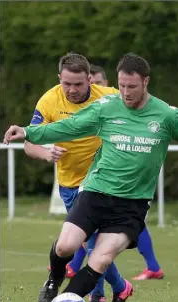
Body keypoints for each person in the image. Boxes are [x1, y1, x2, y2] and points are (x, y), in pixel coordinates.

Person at [4, 54, 178, 302]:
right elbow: (69, 126)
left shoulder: (167, 115)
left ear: (146, 82)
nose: (125, 92)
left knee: (99, 261)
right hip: (95, 192)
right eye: (122, 86)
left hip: (132, 206)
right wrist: (29, 133)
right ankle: (54, 280)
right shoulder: (106, 107)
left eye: (132, 87)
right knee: (66, 245)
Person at [23, 52, 132, 302]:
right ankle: (122, 287)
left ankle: (95, 297)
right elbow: (29, 143)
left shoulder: (108, 96)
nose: (72, 90)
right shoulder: (49, 100)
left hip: (103, 183)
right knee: (85, 246)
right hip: (70, 184)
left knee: (94, 244)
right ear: (59, 78)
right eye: (67, 84)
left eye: (79, 84)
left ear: (90, 81)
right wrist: (46, 152)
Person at [67, 64, 164, 281]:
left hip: (105, 181)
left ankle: (97, 293)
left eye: (102, 82)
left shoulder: (115, 100)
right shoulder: (85, 105)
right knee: (82, 238)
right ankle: (110, 283)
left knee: (97, 242)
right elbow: (67, 127)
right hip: (76, 177)